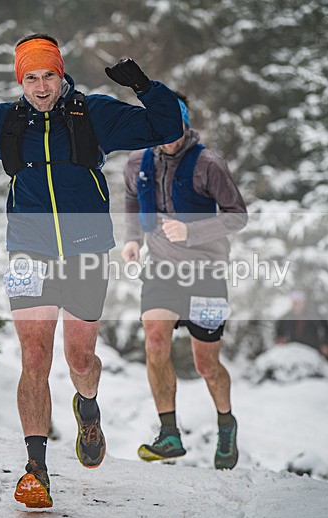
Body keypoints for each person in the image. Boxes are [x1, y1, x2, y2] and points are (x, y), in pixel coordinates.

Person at [0, 33, 182, 508]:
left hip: (85, 251)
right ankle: (36, 469)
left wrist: (143, 85)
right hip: (27, 250)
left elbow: (167, 126)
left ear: (62, 75)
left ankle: (88, 405)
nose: (41, 87)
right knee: (34, 359)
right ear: (22, 81)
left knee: (80, 361)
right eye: (31, 77)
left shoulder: (92, 114)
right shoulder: (5, 122)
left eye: (49, 75)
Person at [122, 93, 248, 469]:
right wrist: (131, 238)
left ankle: (226, 423)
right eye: (160, 127)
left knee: (206, 363)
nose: (168, 134)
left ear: (185, 122)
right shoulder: (136, 161)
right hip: (161, 269)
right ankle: (169, 434)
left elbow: (237, 215)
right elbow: (131, 198)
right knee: (155, 338)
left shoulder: (208, 164)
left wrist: (191, 231)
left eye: (175, 125)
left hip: (207, 274)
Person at [275, 290, 328, 356]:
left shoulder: (314, 316)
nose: (296, 305)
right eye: (294, 302)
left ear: (304, 303)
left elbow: (327, 330)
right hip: (291, 352)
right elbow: (278, 334)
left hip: (312, 351)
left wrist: (325, 344)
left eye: (298, 302)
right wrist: (280, 341)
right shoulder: (285, 318)